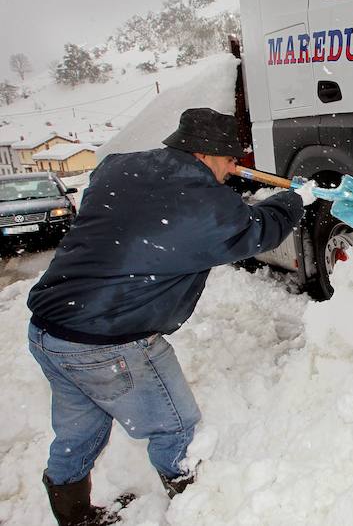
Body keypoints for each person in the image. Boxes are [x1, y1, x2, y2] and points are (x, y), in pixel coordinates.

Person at [26, 108, 317, 526]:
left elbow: (128, 203)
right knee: (177, 429)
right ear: (205, 153)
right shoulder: (204, 205)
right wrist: (295, 198)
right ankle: (195, 511)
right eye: (230, 160)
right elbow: (259, 231)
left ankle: (75, 517)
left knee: (78, 433)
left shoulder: (119, 167)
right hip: (108, 342)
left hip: (49, 331)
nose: (234, 168)